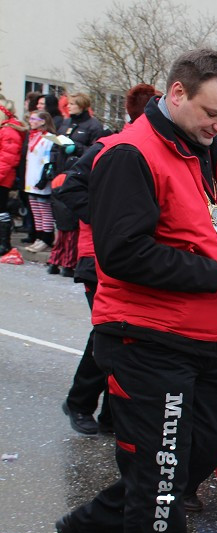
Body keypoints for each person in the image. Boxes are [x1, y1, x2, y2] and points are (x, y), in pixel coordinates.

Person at [53, 49, 217, 533]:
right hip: (144, 338)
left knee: (196, 456)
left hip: (208, 335)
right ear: (175, 95)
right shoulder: (129, 153)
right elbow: (123, 254)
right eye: (210, 113)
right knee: (163, 475)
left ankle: (91, 526)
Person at [55, 83, 159, 436]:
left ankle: (113, 415)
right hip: (97, 257)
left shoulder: (160, 149)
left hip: (135, 257)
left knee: (129, 334)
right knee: (108, 333)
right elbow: (70, 188)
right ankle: (79, 402)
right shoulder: (111, 145)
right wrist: (107, 223)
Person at [48, 92, 111, 277]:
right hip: (62, 173)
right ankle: (57, 258)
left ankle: (70, 261)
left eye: (73, 104)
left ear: (82, 105)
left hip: (77, 174)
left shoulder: (93, 125)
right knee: (61, 221)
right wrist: (51, 163)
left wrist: (76, 148)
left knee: (72, 221)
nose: (69, 107)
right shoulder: (66, 123)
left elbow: (95, 151)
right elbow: (56, 144)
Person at [22, 110, 56, 254]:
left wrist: (44, 178)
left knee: (44, 210)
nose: (31, 121)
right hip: (31, 178)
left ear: (43, 121)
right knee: (35, 210)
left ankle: (46, 238)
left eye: (34, 119)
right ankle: (39, 236)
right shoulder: (32, 136)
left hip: (41, 179)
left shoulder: (50, 138)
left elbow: (49, 160)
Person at [0, 101, 26, 256]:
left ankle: (4, 243)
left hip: (3, 177)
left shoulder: (9, 131)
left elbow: (8, 157)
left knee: (1, 209)